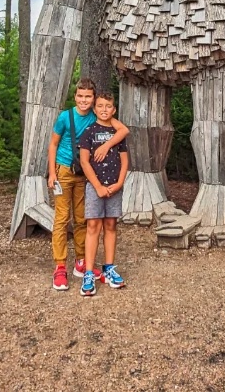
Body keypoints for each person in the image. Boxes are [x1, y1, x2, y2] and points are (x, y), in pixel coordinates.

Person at [47, 79, 128, 291]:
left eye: (88, 97)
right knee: (62, 218)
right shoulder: (66, 117)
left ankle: (82, 262)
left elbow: (122, 131)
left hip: (85, 175)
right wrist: (51, 173)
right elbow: (53, 144)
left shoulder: (97, 115)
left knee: (83, 218)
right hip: (64, 170)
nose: (84, 100)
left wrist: (107, 145)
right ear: (75, 97)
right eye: (80, 96)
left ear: (93, 100)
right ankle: (60, 266)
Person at [77, 90, 129, 296]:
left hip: (114, 186)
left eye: (108, 106)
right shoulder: (89, 132)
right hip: (95, 187)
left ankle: (109, 268)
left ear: (114, 109)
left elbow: (125, 161)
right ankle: (89, 273)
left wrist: (119, 183)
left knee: (110, 225)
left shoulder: (118, 135)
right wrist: (97, 186)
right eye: (100, 106)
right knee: (93, 226)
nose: (104, 110)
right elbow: (84, 161)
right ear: (94, 108)